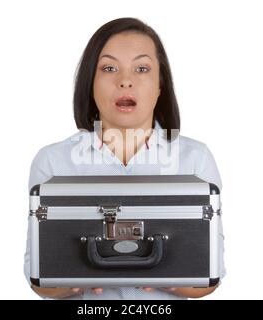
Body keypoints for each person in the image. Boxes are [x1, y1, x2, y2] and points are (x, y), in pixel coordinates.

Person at [24, 17, 225, 300]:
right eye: (108, 68)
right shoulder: (53, 161)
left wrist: (164, 279)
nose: (125, 81)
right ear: (90, 83)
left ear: (160, 85)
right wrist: (74, 281)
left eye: (142, 68)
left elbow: (211, 276)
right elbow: (37, 278)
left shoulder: (195, 158)